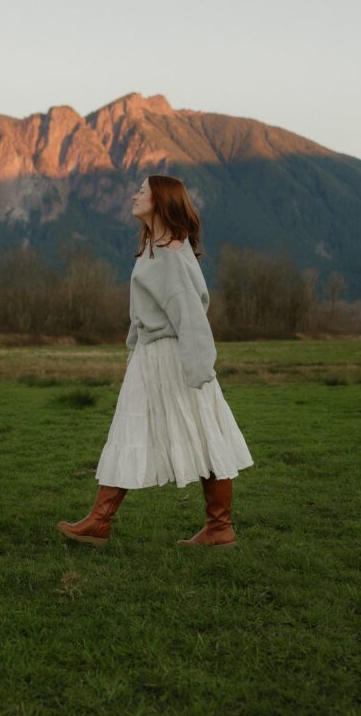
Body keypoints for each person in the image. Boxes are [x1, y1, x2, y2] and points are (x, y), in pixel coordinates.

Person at [57, 174, 253, 548]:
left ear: (160, 201)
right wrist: (135, 352)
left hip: (173, 359)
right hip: (152, 357)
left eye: (142, 191)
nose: (134, 195)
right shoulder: (157, 250)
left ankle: (218, 527)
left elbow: (191, 319)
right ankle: (104, 521)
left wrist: (199, 371)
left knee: (200, 431)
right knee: (138, 431)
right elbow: (142, 314)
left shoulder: (169, 256)